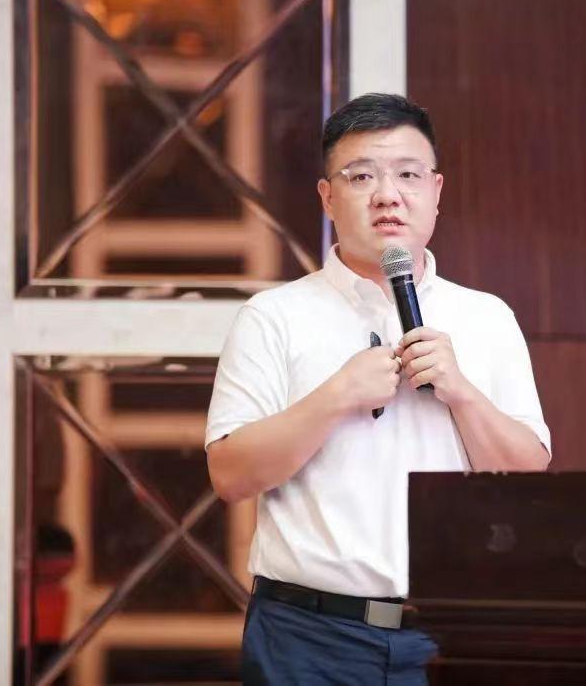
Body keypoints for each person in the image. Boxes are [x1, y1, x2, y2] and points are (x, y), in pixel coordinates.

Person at [204, 93, 551, 685]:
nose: (388, 195)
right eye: (361, 176)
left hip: (452, 632)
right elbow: (230, 476)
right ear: (327, 197)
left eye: (408, 175)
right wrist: (336, 395)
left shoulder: (487, 318)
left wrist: (462, 392)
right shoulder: (274, 316)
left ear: (436, 192)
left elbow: (529, 477)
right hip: (308, 635)